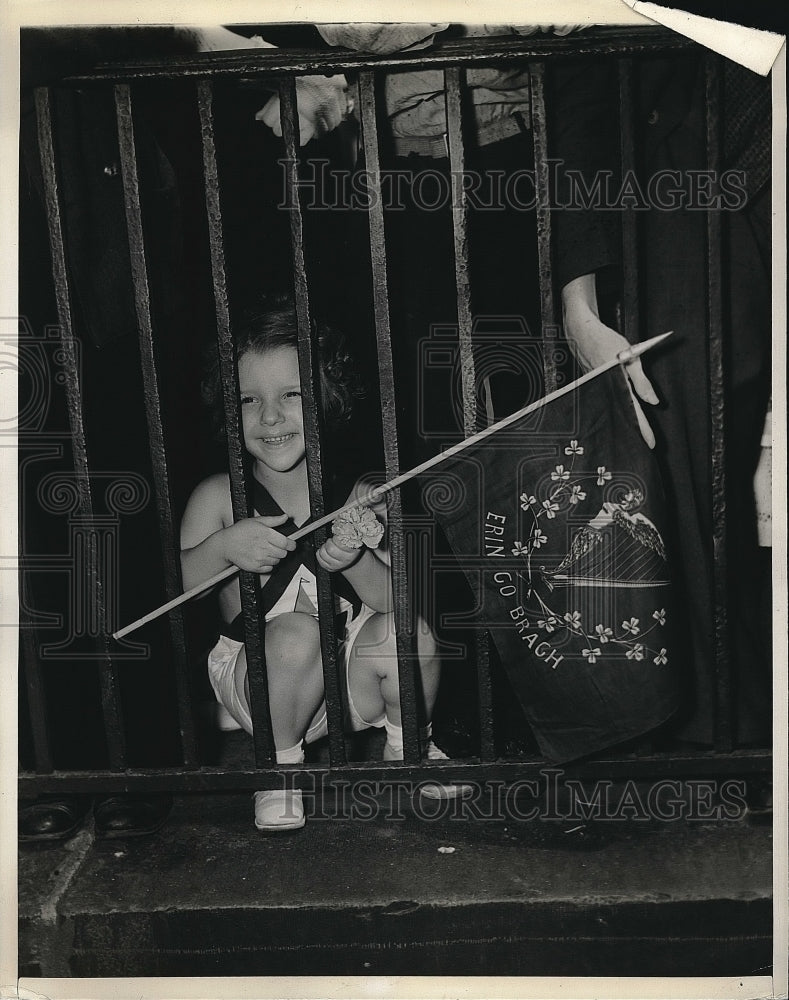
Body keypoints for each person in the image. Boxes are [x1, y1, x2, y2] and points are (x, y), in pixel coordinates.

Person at [180, 298, 472, 831]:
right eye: (249, 400)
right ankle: (280, 770)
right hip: (261, 683)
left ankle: (409, 751)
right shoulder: (218, 497)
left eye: (291, 394)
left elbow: (392, 603)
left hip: (344, 682)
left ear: (327, 398)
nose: (270, 416)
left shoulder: (355, 496)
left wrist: (355, 556)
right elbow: (179, 593)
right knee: (293, 632)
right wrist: (223, 549)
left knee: (408, 632)